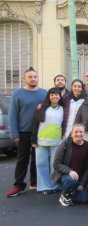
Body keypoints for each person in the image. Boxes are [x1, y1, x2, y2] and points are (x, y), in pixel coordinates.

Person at [7, 67, 47, 197]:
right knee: (22, 159)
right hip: (23, 132)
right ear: (24, 79)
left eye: (35, 76)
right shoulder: (18, 94)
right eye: (30, 77)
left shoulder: (44, 93)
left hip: (40, 131)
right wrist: (14, 133)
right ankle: (19, 185)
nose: (33, 79)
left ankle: (35, 182)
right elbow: (12, 115)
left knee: (38, 159)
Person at [31, 88, 63, 194]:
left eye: (57, 95)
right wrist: (33, 139)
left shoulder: (63, 109)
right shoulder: (42, 108)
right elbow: (35, 124)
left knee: (54, 164)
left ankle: (54, 185)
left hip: (57, 141)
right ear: (48, 96)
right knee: (41, 164)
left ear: (60, 96)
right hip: (41, 141)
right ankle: (44, 186)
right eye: (52, 95)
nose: (54, 97)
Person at [52, 124, 88, 206]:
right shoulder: (65, 145)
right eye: (76, 132)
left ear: (84, 134)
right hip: (66, 176)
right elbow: (56, 163)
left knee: (84, 199)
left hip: (80, 178)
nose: (78, 134)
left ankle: (71, 190)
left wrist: (82, 184)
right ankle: (64, 195)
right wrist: (69, 171)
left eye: (81, 132)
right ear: (72, 134)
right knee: (71, 179)